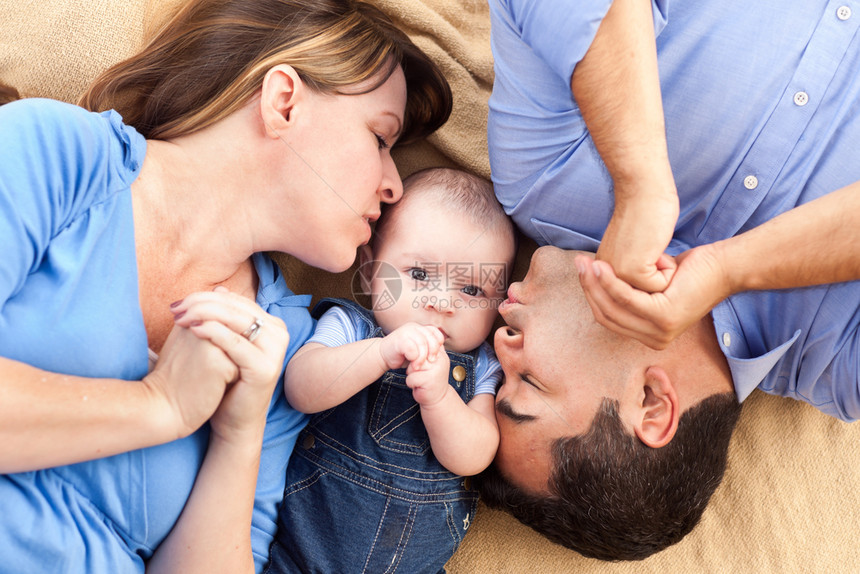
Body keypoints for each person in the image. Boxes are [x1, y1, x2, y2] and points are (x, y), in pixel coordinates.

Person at [0, 0, 452, 571]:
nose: (394, 187)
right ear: (283, 101)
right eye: (381, 139)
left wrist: (238, 437)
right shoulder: (58, 155)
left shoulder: (285, 344)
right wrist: (159, 406)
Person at [479, 0, 860, 562]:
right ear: (652, 404)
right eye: (526, 382)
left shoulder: (542, 182)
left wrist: (641, 180)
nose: (497, 344)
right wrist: (734, 267)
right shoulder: (843, 365)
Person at [267, 167, 516, 573]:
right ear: (371, 270)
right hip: (302, 552)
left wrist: (439, 398)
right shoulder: (352, 327)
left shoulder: (483, 365)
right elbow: (301, 387)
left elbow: (475, 455)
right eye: (419, 274)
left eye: (472, 290)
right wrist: (380, 355)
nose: (442, 302)